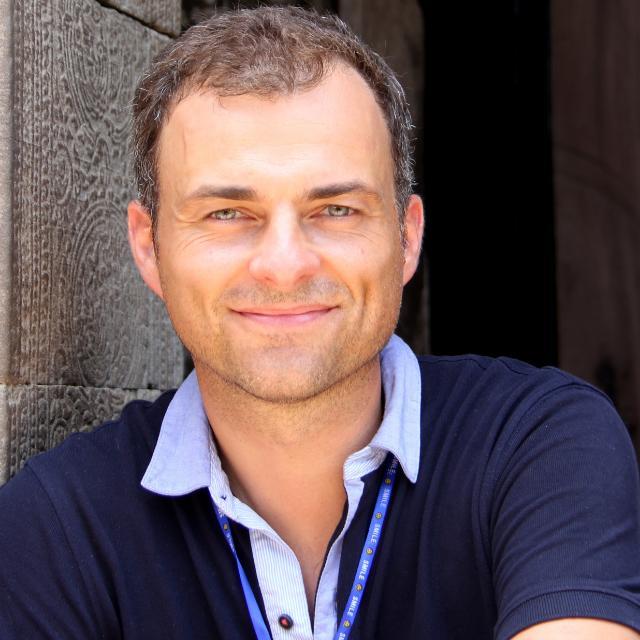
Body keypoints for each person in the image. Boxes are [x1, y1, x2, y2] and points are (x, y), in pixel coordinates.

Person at [1, 6, 639, 639]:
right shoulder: (57, 527)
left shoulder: (539, 444)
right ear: (149, 246)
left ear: (407, 237)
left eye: (336, 209)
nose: (284, 266)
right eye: (226, 213)